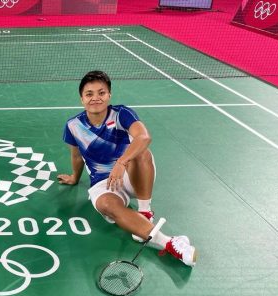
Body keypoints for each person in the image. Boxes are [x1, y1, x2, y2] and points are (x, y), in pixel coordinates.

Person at [57, 70, 197, 266]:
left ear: (109, 95)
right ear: (82, 99)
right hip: (103, 183)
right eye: (89, 94)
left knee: (141, 152)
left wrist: (121, 162)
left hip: (131, 174)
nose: (96, 98)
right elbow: (76, 156)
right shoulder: (73, 125)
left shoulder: (121, 114)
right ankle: (170, 242)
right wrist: (74, 177)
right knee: (107, 206)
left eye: (101, 93)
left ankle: (144, 211)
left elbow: (144, 137)